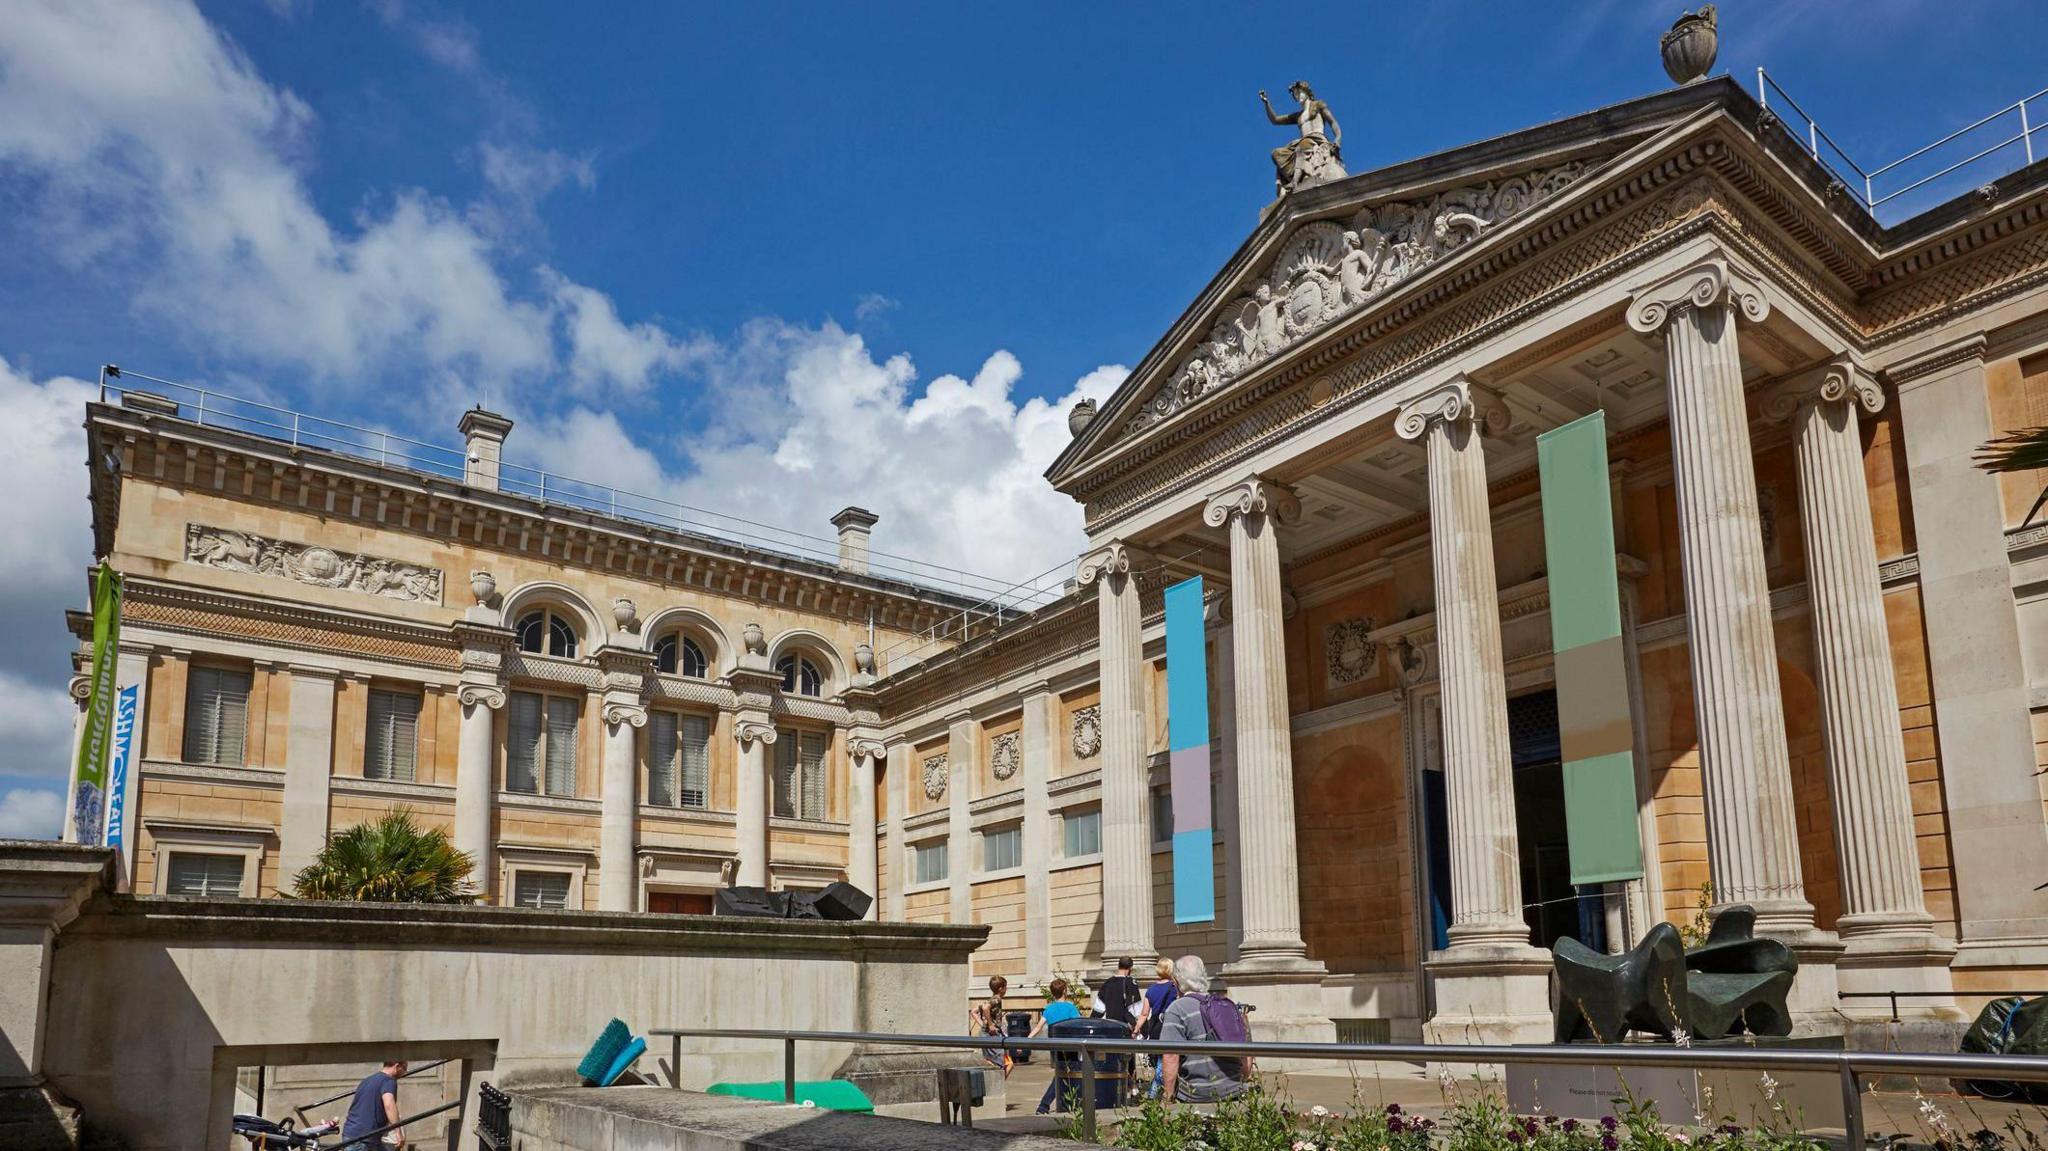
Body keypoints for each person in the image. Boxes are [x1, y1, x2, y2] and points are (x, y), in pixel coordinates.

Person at [1158, 955, 1249, 1104]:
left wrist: (1168, 1097)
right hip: (1234, 1092)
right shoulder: (1226, 1004)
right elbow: (1246, 1053)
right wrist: (1242, 1079)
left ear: (1177, 980)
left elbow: (1170, 1055)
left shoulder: (1177, 1009)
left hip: (1195, 1095)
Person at [1031, 978, 1081, 1114]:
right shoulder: (1071, 1008)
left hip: (1055, 1047)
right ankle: (1044, 1105)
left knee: (1062, 1074)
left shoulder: (1049, 1009)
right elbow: (1078, 1024)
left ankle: (1067, 1103)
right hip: (1070, 1046)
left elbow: (1039, 1026)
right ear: (1065, 991)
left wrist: (1028, 1039)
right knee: (1068, 1075)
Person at [1131, 957, 1179, 1099]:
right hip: (1170, 1026)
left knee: (1159, 1058)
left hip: (1155, 1027)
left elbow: (1144, 1013)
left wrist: (1136, 1029)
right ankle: (1154, 1093)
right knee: (1165, 1059)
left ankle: (1158, 1092)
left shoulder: (1151, 989)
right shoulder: (1175, 987)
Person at [341, 1059, 406, 1149]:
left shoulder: (368, 1080)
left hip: (354, 1133)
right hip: (363, 1138)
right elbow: (389, 1105)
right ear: (396, 1066)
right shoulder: (388, 1081)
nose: (405, 1073)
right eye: (404, 1068)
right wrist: (398, 1132)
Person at [968, 974, 1013, 1077]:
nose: (1006, 990)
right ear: (1001, 988)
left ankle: (996, 1083)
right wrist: (991, 1025)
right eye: (1006, 987)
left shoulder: (989, 999)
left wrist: (984, 1025)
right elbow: (985, 1008)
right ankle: (997, 1084)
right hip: (992, 1035)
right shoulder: (996, 999)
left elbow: (974, 1012)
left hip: (987, 1034)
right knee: (1004, 1063)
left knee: (1001, 1062)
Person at [1094, 956, 1142, 1033]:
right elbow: (1136, 1009)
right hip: (1125, 1028)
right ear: (1130, 968)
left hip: (1110, 1028)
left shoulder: (1107, 983)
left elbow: (1098, 1009)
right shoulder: (1130, 983)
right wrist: (1142, 1029)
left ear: (1118, 966)